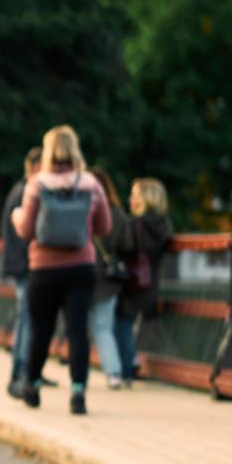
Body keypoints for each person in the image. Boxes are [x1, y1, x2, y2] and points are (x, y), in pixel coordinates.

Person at [9, 125, 112, 415]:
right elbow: (104, 227)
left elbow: (27, 229)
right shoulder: (90, 183)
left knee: (41, 330)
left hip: (44, 269)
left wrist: (17, 217)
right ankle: (78, 393)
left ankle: (31, 385)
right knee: (78, 331)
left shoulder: (38, 184)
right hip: (81, 266)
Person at [112, 177, 174, 384]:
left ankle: (128, 367)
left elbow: (124, 248)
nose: (131, 199)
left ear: (146, 199)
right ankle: (134, 361)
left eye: (135, 195)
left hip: (131, 282)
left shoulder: (134, 224)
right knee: (132, 324)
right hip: (150, 283)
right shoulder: (164, 226)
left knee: (121, 323)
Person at [0, 146, 42, 392]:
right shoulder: (27, 192)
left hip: (18, 265)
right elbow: (24, 235)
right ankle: (20, 372)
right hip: (25, 266)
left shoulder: (19, 189)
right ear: (37, 167)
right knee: (27, 318)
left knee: (27, 317)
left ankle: (28, 369)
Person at [88, 167, 133, 390]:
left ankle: (79, 373)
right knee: (104, 327)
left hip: (85, 275)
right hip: (109, 278)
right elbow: (128, 245)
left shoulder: (83, 210)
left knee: (82, 328)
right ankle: (114, 373)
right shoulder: (117, 214)